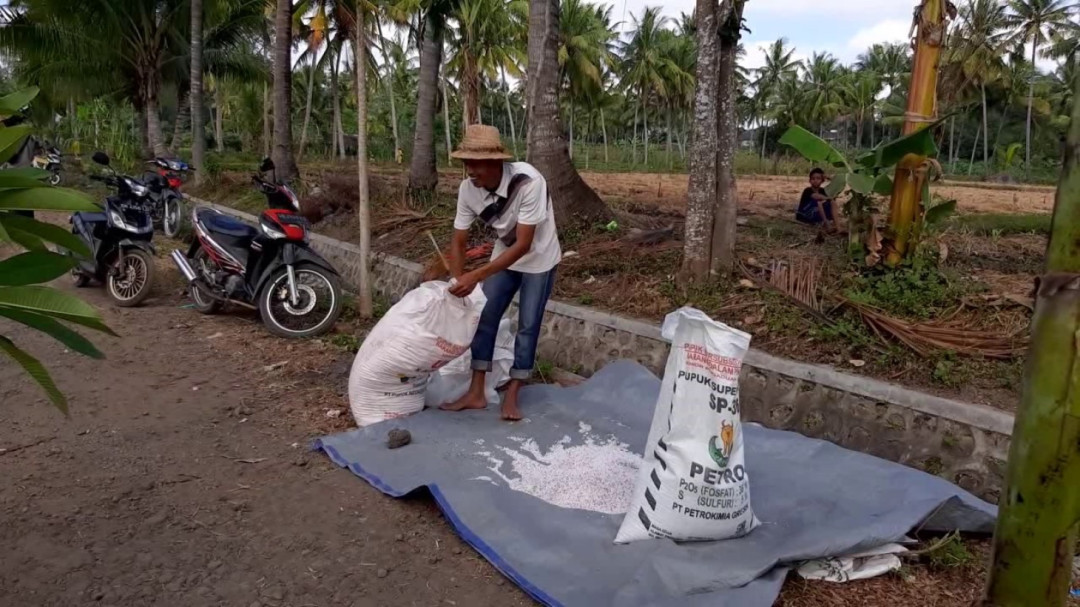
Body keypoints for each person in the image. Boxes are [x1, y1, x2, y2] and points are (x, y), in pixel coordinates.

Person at [439, 125, 561, 421]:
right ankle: (476, 392)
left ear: (496, 162)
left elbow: (523, 245)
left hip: (539, 258)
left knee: (528, 324)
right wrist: (458, 279)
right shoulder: (468, 190)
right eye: (466, 163)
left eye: (475, 163)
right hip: (502, 256)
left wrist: (475, 276)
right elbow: (459, 240)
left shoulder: (529, 182)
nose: (470, 170)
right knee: (483, 316)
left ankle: (514, 392)